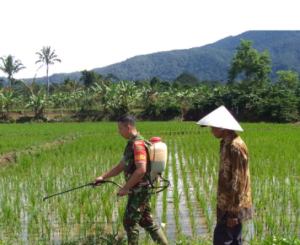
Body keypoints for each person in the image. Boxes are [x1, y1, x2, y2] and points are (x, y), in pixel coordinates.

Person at [94, 114, 168, 245]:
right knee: (146, 220)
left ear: (128, 127)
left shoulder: (138, 145)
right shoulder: (130, 145)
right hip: (139, 188)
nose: (119, 132)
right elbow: (120, 167)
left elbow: (141, 170)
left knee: (129, 222)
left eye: (120, 129)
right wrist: (102, 177)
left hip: (140, 189)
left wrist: (126, 188)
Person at [197, 106, 253, 245]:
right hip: (226, 204)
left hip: (231, 206)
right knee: (231, 240)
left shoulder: (235, 146)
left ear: (222, 128)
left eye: (212, 127)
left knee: (223, 240)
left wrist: (233, 213)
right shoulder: (226, 144)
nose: (211, 131)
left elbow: (238, 180)